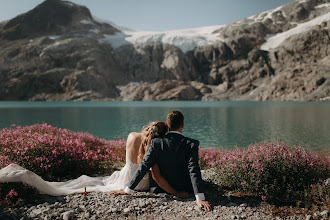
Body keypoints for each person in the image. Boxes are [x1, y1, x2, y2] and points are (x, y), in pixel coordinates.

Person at [0, 121, 187, 197]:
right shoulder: (154, 147)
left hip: (124, 176)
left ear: (148, 127)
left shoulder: (131, 136)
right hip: (138, 185)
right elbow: (157, 177)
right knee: (83, 186)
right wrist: (178, 193)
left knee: (76, 183)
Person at [110, 111, 212, 211]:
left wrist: (127, 190)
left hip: (160, 189)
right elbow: (194, 169)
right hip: (184, 189)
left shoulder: (156, 143)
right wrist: (200, 198)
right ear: (182, 125)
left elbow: (144, 166)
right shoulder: (192, 144)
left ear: (167, 125)